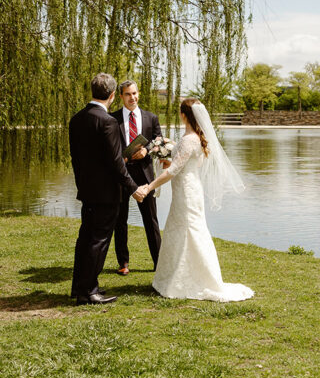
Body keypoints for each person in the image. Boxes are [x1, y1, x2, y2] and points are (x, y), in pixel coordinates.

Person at [144, 98, 253, 302]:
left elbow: (174, 171)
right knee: (186, 230)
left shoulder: (188, 140)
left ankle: (190, 280)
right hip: (190, 188)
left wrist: (150, 186)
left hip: (186, 191)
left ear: (183, 115)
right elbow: (191, 164)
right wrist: (169, 160)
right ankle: (179, 276)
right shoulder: (197, 137)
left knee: (188, 231)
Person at [68, 73, 148, 305]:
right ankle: (88, 291)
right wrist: (134, 189)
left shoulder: (77, 119)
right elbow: (116, 164)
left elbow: (78, 158)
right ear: (113, 95)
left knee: (85, 238)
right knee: (98, 241)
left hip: (87, 189)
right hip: (106, 193)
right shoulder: (108, 122)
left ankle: (79, 286)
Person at [112, 80, 163, 275]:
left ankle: (159, 262)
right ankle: (123, 263)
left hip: (145, 176)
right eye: (127, 94)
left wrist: (147, 151)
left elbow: (157, 141)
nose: (132, 97)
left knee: (151, 219)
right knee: (120, 219)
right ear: (121, 96)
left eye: (134, 93)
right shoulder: (112, 119)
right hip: (121, 175)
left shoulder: (151, 118)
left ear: (138, 93)